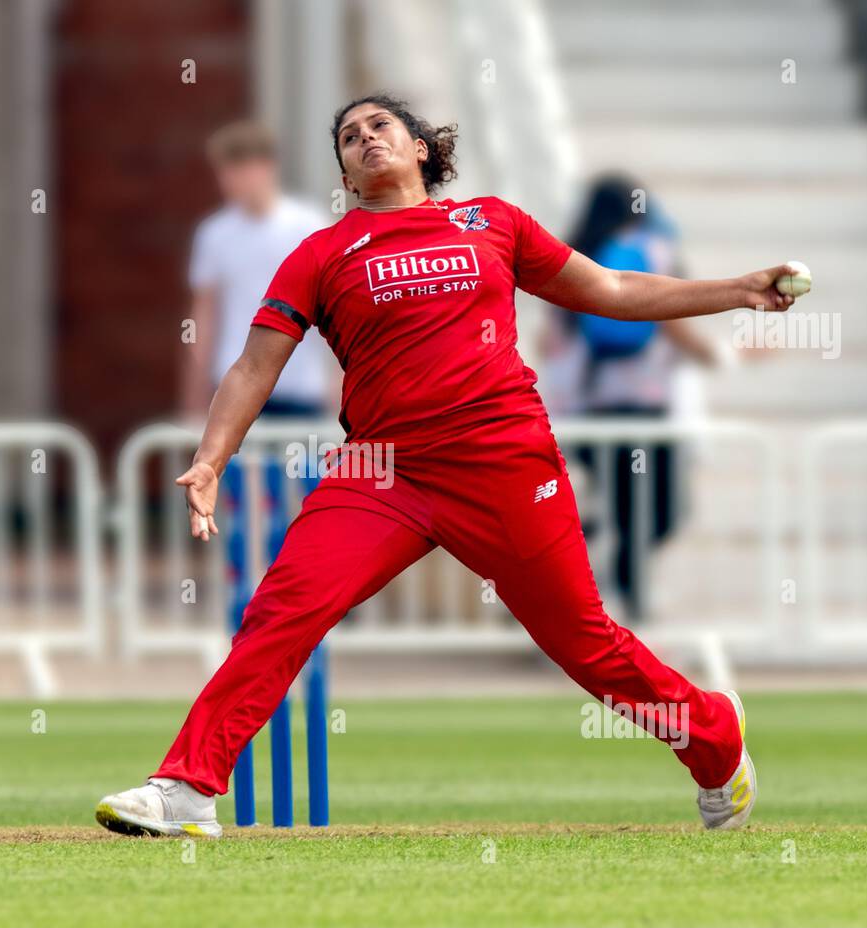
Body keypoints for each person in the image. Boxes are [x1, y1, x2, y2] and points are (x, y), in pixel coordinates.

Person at [98, 93, 796, 838]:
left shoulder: (491, 221)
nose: (365, 140)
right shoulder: (322, 253)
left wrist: (736, 291)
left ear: (422, 147)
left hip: (503, 461)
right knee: (281, 610)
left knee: (583, 642)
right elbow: (252, 367)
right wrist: (211, 458)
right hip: (381, 473)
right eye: (347, 137)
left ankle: (715, 737)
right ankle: (185, 788)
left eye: (380, 127)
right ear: (342, 167)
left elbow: (612, 290)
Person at [559, 174, 729, 619]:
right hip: (644, 409)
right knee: (660, 511)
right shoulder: (653, 250)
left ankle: (588, 566)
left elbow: (556, 340)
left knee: (625, 509)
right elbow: (675, 320)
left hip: (589, 411)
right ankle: (629, 597)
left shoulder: (577, 257)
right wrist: (724, 357)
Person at [182, 120, 332, 421]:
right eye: (224, 172)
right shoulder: (214, 233)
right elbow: (204, 316)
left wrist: (340, 384)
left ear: (265, 167)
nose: (228, 181)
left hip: (301, 381)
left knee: (303, 468)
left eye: (237, 170)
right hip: (234, 381)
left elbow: (334, 308)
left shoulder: (308, 225)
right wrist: (194, 396)